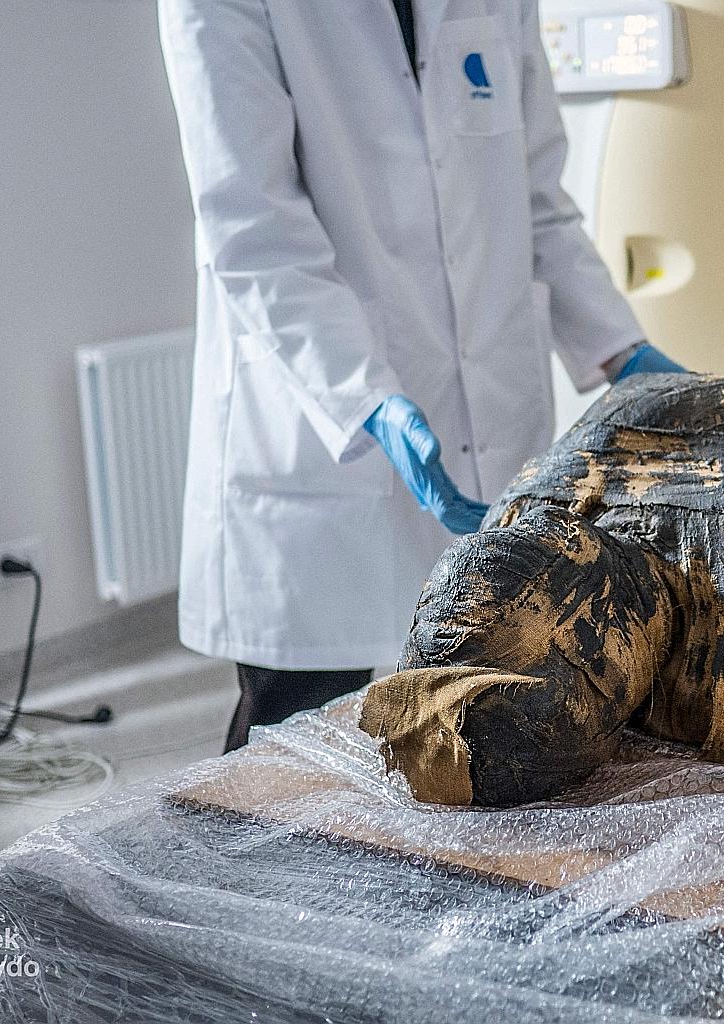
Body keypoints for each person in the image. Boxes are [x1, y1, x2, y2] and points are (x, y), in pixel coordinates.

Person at [158, 0, 685, 752]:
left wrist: (619, 350)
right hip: (318, 419)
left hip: (490, 411)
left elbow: (539, 202)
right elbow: (255, 229)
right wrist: (366, 400)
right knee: (292, 740)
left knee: (486, 722)